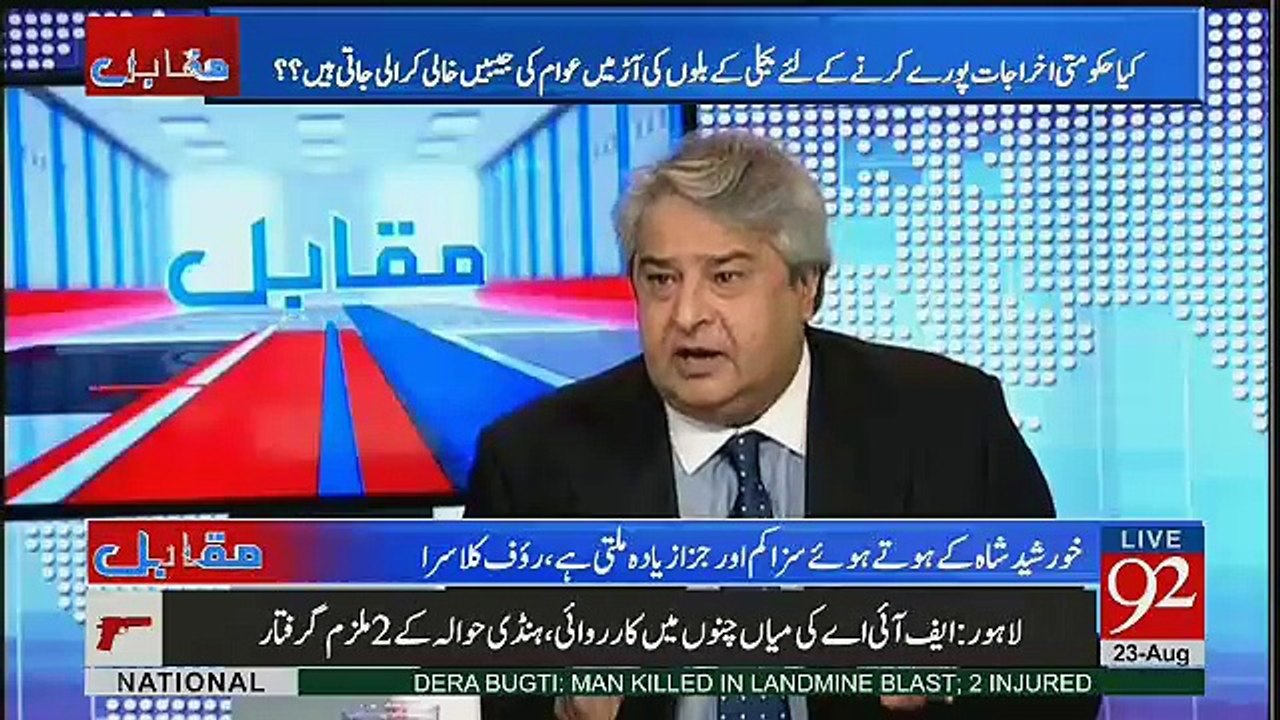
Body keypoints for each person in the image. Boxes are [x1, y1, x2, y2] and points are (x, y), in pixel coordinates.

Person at [466, 130, 1100, 720]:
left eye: (726, 276)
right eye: (661, 280)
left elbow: (1066, 683)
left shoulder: (950, 425)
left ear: (806, 288)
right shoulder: (531, 465)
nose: (686, 314)